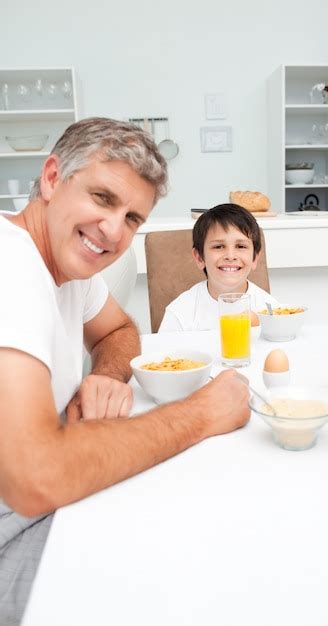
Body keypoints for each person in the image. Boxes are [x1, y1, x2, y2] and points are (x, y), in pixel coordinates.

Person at [0, 118, 250, 624]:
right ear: (51, 178)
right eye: (102, 198)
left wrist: (107, 376)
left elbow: (118, 332)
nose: (114, 231)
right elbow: (35, 478)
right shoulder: (10, 263)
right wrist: (199, 413)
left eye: (133, 217)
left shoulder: (69, 270)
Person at [158, 203, 278, 332]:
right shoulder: (179, 313)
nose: (230, 256)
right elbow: (164, 351)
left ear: (254, 258)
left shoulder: (270, 309)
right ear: (199, 258)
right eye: (218, 247)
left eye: (241, 246)